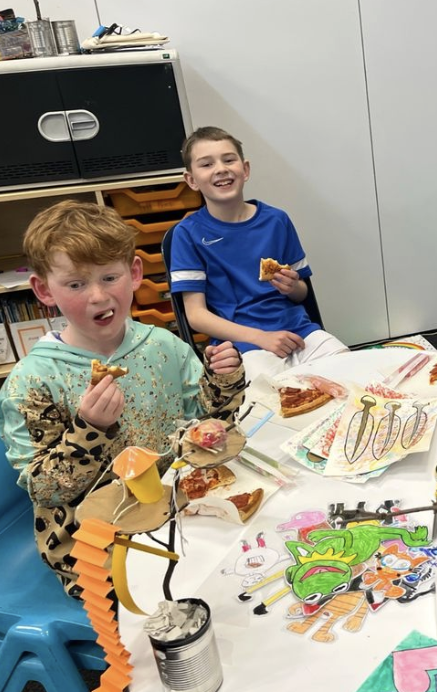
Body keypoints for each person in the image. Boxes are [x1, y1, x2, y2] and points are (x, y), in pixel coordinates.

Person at [0, 201, 246, 597]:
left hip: (175, 505)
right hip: (93, 542)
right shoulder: (32, 382)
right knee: (172, 597)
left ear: (134, 273)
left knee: (246, 563)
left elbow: (206, 431)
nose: (98, 296)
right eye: (76, 284)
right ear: (44, 290)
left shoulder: (163, 346)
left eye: (109, 277)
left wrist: (223, 381)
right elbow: (45, 490)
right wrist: (89, 431)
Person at [169, 126, 348, 381]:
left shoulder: (277, 221)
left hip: (301, 333)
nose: (221, 169)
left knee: (351, 375)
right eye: (207, 164)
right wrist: (261, 338)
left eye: (228, 160)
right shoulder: (187, 234)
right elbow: (196, 315)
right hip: (243, 346)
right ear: (191, 180)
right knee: (277, 396)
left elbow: (302, 294)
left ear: (245, 169)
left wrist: (292, 286)